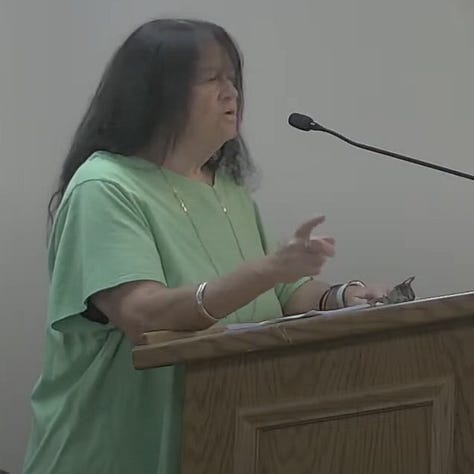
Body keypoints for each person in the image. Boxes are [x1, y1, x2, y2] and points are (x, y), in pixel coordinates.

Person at [22, 18, 387, 474]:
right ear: (154, 93)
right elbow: (144, 315)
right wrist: (270, 270)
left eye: (232, 78)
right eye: (211, 79)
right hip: (115, 450)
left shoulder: (228, 191)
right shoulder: (104, 187)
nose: (231, 93)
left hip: (222, 439)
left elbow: (282, 295)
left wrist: (342, 298)